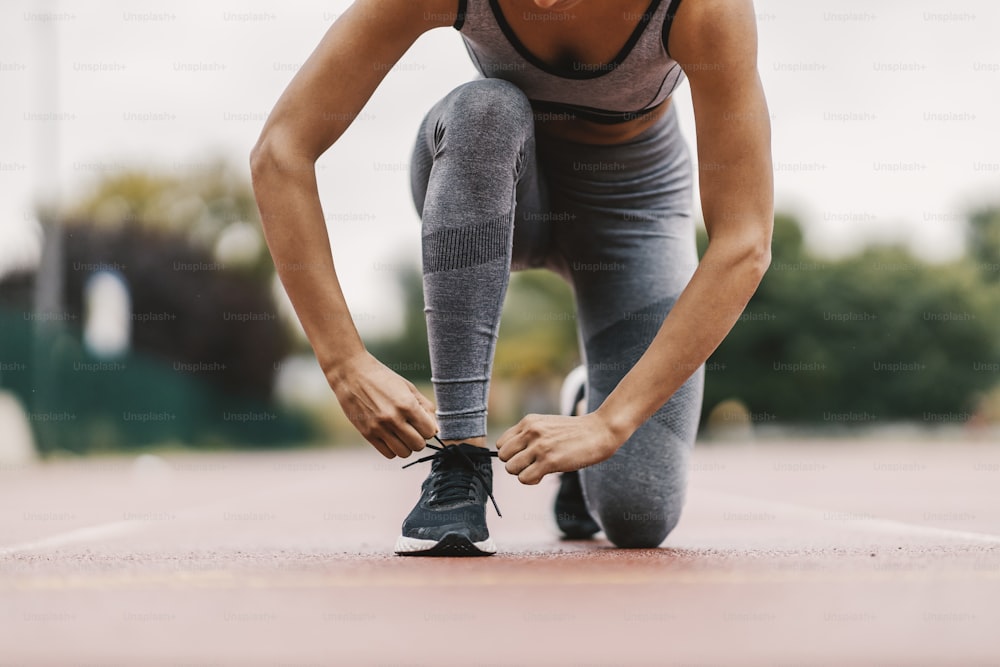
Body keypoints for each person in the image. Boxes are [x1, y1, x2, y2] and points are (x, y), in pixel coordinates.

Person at [250, 0, 773, 556]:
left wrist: (609, 421)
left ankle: (583, 403)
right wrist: (342, 361)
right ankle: (460, 460)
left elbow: (744, 243)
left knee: (638, 515)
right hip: (497, 182)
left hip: (632, 212)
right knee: (488, 108)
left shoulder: (704, 9)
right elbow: (280, 151)